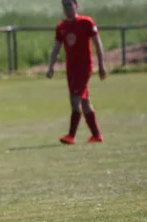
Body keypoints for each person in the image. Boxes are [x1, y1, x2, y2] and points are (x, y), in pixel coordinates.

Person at [47, 0, 107, 145]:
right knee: (85, 102)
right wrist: (51, 66)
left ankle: (71, 136)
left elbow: (97, 43)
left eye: (70, 4)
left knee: (75, 100)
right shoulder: (61, 27)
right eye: (65, 5)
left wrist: (101, 65)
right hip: (71, 69)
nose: (67, 8)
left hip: (84, 67)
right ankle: (96, 135)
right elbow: (56, 48)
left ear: (76, 6)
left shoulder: (86, 22)